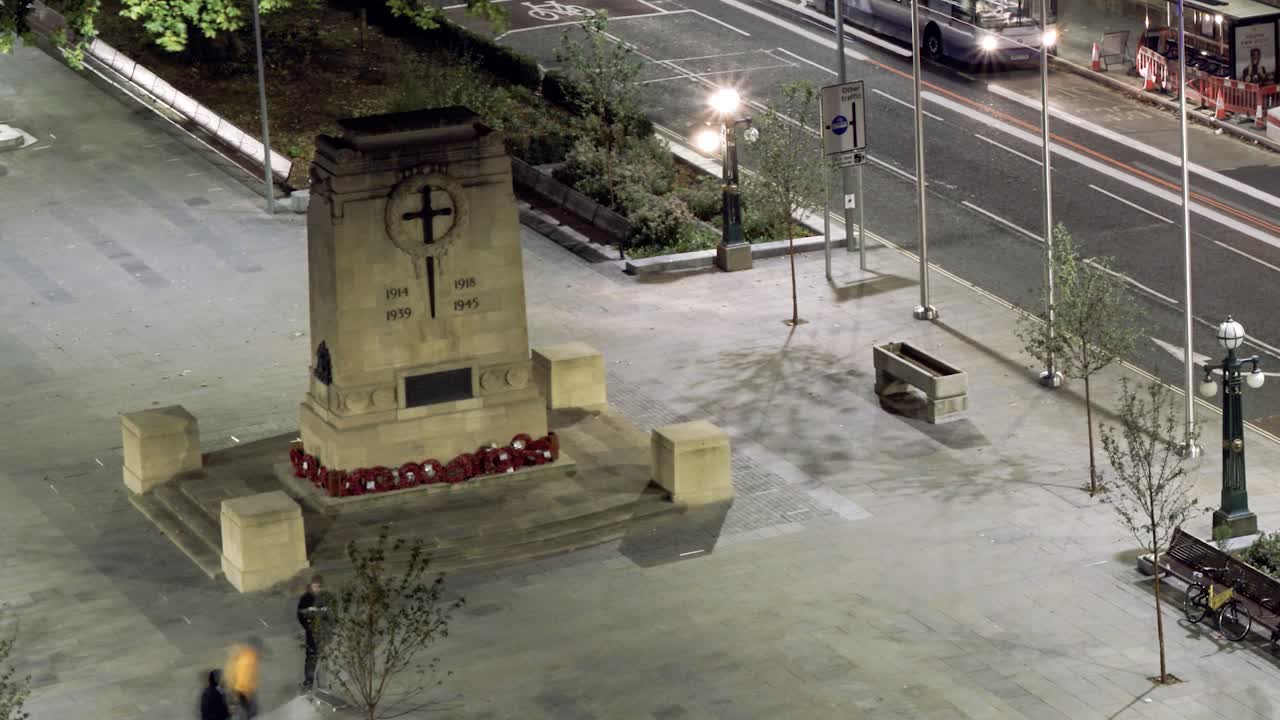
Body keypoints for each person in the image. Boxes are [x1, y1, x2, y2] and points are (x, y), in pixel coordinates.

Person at [296, 575, 327, 691]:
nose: (317, 589)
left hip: (323, 633)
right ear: (311, 586)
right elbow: (300, 614)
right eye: (315, 586)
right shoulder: (305, 598)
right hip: (311, 633)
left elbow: (329, 614)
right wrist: (308, 626)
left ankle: (321, 684)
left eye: (318, 587)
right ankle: (308, 682)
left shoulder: (324, 598)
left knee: (322, 658)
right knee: (310, 658)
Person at [224, 637, 263, 719]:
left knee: (247, 711)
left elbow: (232, 674)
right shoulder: (248, 658)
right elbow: (244, 677)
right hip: (244, 690)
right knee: (250, 711)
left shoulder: (243, 657)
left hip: (241, 690)